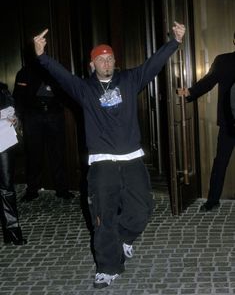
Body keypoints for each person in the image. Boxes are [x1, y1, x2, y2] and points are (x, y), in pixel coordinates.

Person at [33, 21, 185, 288]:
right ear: (92, 65)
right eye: (100, 59)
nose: (106, 62)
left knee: (142, 210)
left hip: (132, 159)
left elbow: (153, 64)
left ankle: (123, 238)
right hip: (102, 163)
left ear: (115, 60)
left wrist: (174, 41)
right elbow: (62, 76)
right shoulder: (85, 89)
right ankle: (107, 267)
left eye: (110, 58)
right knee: (102, 217)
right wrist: (42, 56)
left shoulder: (129, 79)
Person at [179, 32, 235, 212]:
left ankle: (212, 201)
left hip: (228, 122)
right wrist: (189, 92)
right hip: (229, 123)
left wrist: (190, 92)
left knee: (220, 162)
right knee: (220, 162)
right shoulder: (223, 61)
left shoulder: (223, 61)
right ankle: (212, 200)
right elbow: (208, 82)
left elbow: (208, 82)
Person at [13, 42, 74, 202]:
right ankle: (32, 189)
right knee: (33, 154)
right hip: (32, 117)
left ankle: (62, 189)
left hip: (54, 115)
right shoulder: (24, 72)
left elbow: (66, 90)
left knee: (58, 154)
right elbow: (18, 97)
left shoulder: (52, 70)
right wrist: (18, 116)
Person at [0, 82, 27, 245]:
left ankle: (12, 233)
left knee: (6, 188)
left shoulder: (2, 90)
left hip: (2, 142)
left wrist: (15, 120)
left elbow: (13, 112)